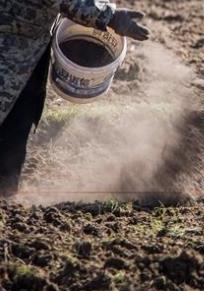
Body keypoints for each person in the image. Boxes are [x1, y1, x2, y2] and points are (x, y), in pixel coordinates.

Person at [0, 0, 150, 197]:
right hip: (11, 46)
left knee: (18, 122)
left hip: (24, 37)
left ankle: (6, 196)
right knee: (15, 120)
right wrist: (108, 16)